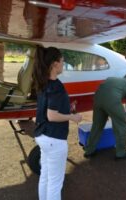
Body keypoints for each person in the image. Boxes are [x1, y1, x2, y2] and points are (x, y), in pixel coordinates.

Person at [33, 46, 83, 200]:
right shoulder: (57, 86)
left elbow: (49, 108)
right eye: (62, 61)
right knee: (55, 183)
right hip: (54, 139)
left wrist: (67, 108)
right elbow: (52, 115)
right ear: (55, 64)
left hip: (42, 136)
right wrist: (72, 117)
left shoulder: (43, 82)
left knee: (46, 177)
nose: (63, 63)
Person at [84, 72, 126, 159]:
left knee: (97, 125)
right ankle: (121, 153)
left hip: (97, 98)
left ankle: (89, 151)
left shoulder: (113, 78)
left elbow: (104, 90)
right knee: (121, 126)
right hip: (112, 100)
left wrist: (107, 111)